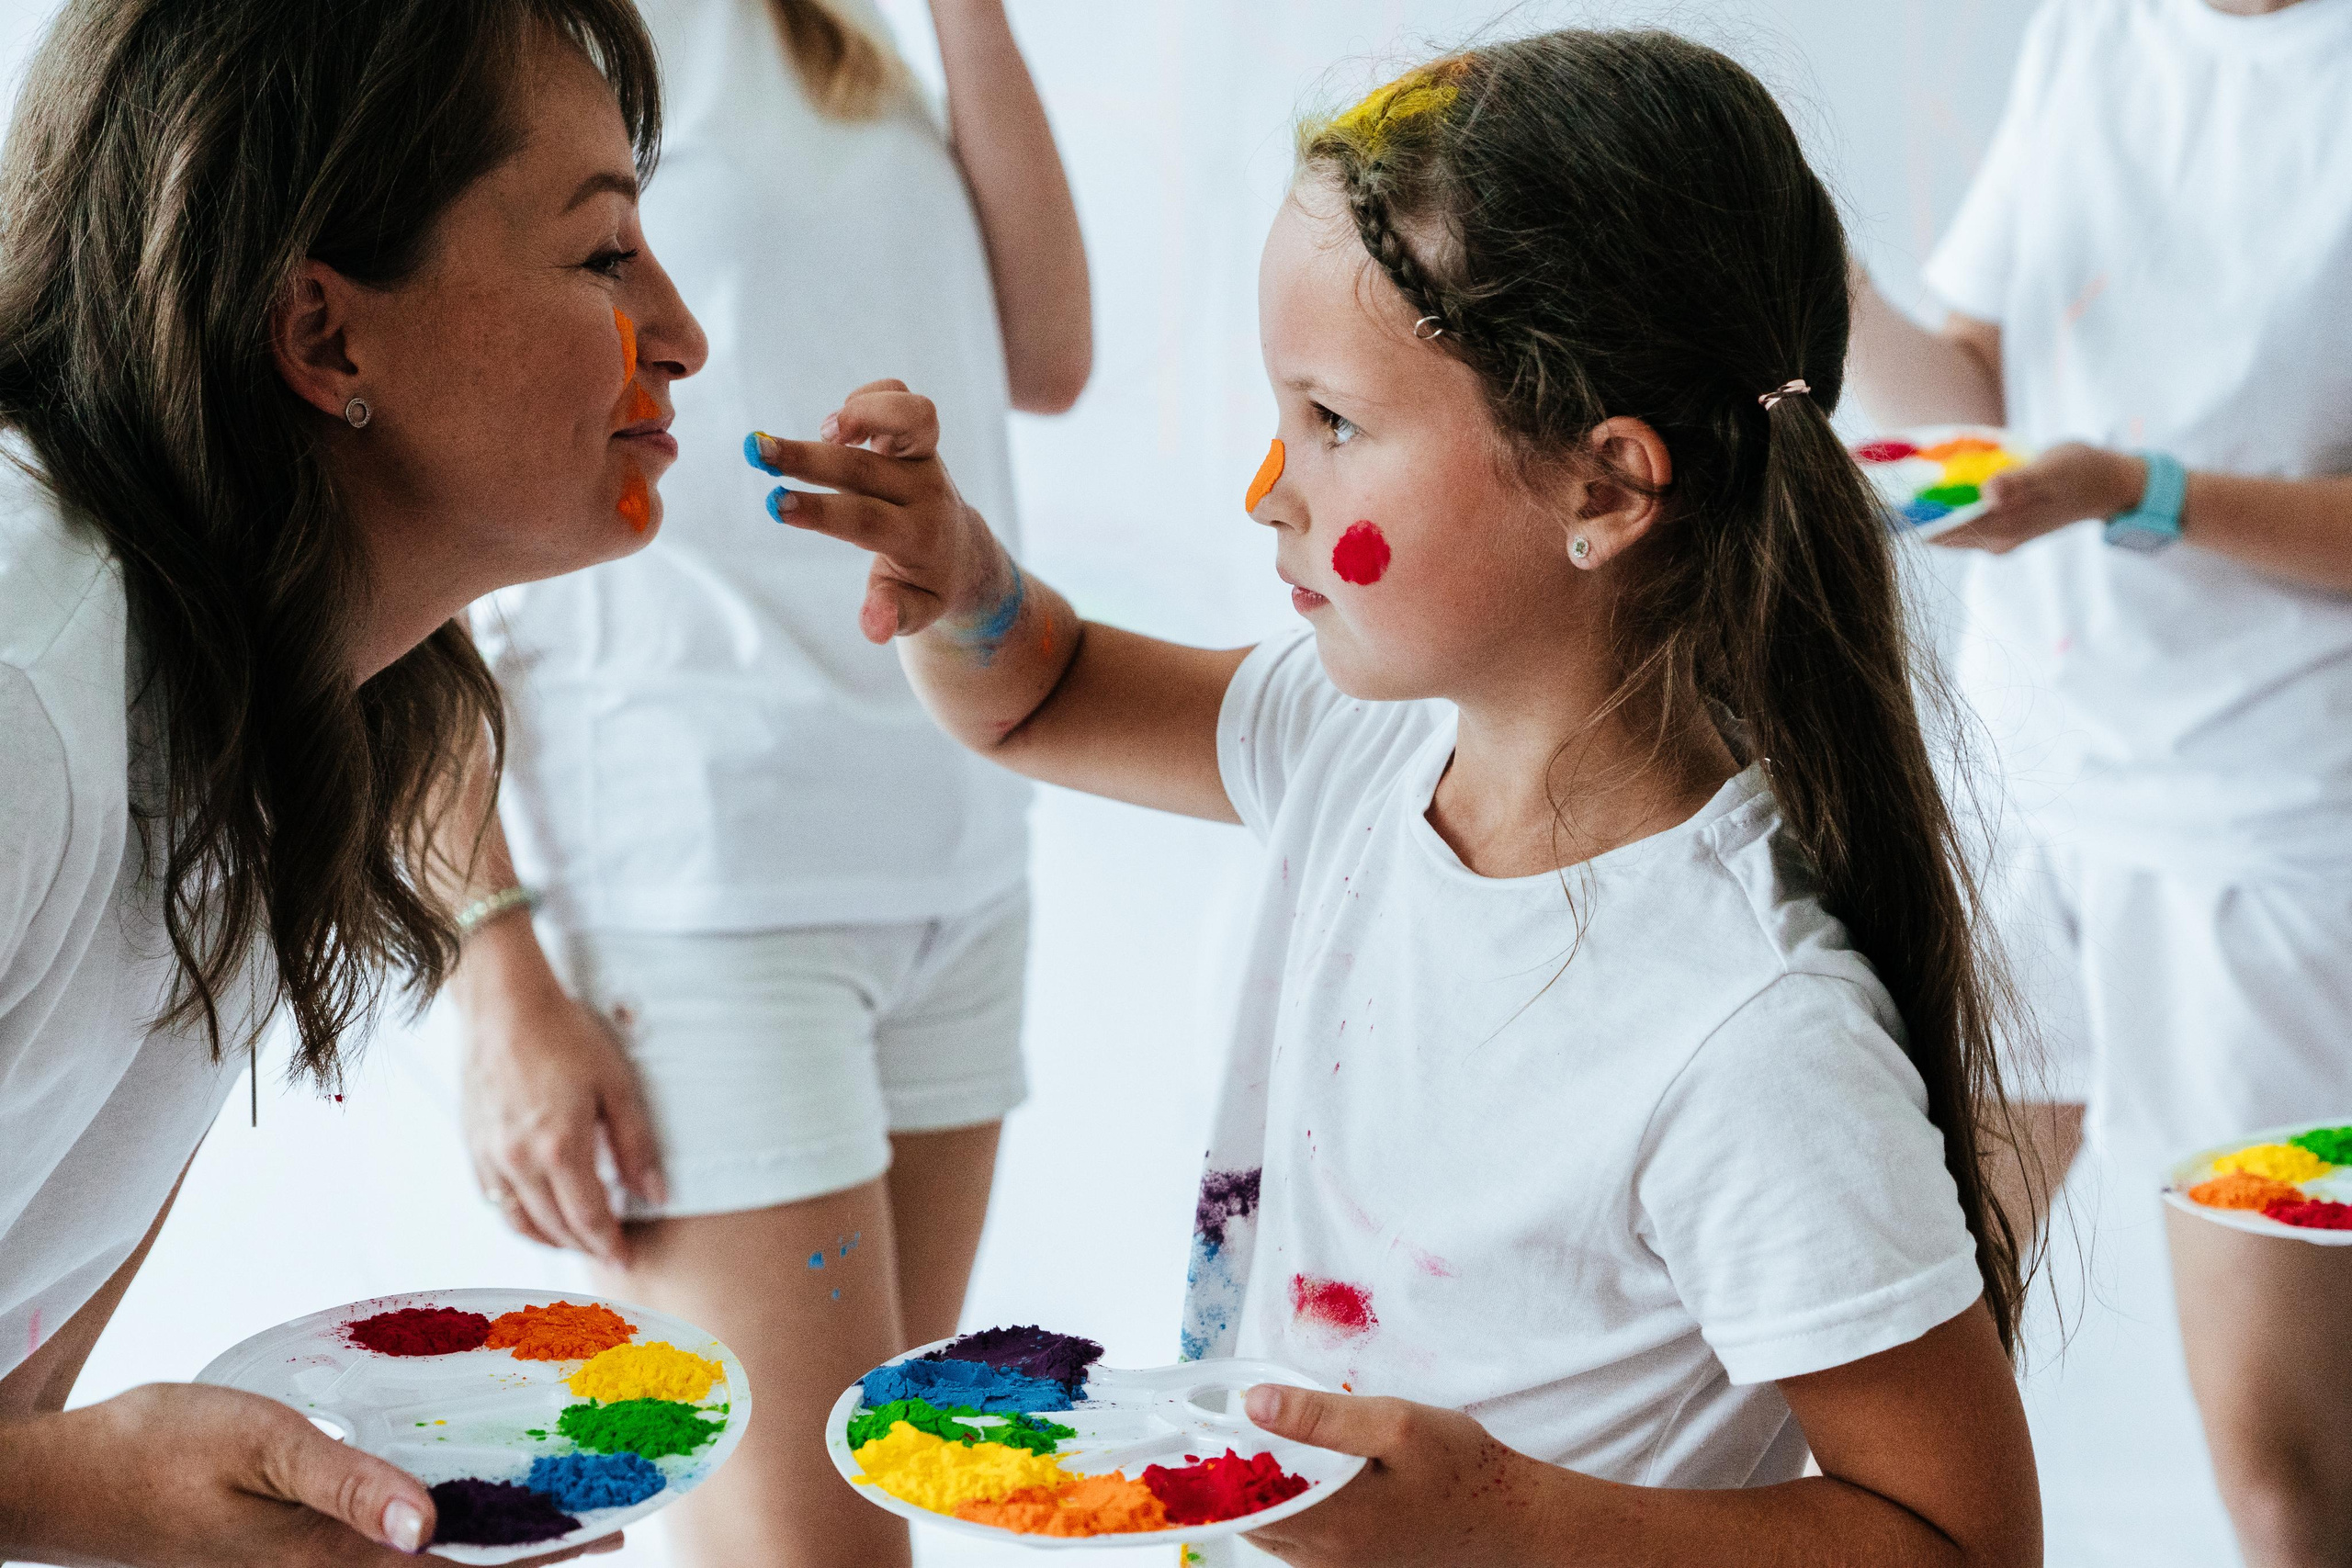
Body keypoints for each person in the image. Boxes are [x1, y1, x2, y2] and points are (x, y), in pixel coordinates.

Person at [759, 31, 2044, 1567]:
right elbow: (1041, 694)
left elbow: (1961, 1539)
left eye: (1334, 424)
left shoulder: (1752, 1031)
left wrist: (1510, 1523)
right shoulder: (1361, 751)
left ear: (1604, 488)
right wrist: (961, 582)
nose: (1268, 490)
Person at [0, 0, 706, 1561]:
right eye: (603, 255)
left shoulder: (293, 713)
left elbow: (15, 1408)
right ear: (327, 336)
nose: (680, 336)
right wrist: (87, 1498)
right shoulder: (18, 691)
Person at [444, 0, 1088, 1562]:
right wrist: (493, 962)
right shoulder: (520, 46)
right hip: (697, 884)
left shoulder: (839, 42)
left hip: (949, 859)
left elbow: (1048, 357)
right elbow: (394, 507)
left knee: (861, 1512)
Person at [1847, 0, 2352, 1561]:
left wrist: (2135, 494)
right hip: (2026, 797)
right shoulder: (2096, 27)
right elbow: (1978, 384)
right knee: (1887, 1377)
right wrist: (1819, 275)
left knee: (2286, 1467)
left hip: (2268, 846)